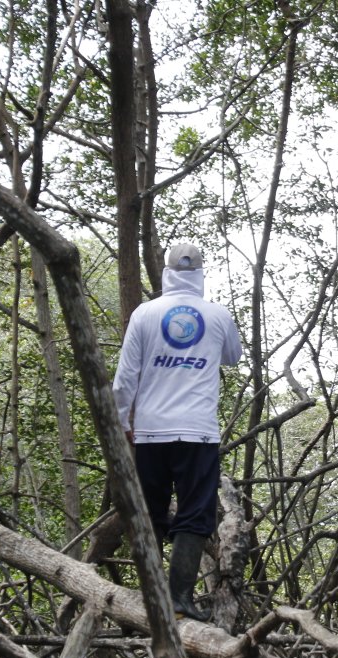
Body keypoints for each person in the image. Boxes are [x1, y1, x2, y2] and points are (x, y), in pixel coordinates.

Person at [113, 243, 243, 621]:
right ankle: (179, 599)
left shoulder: (144, 314)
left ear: (166, 271)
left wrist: (121, 424)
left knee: (150, 513)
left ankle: (152, 597)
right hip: (198, 434)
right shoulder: (217, 315)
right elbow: (232, 357)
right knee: (195, 515)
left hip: (149, 433)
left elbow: (125, 378)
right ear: (200, 273)